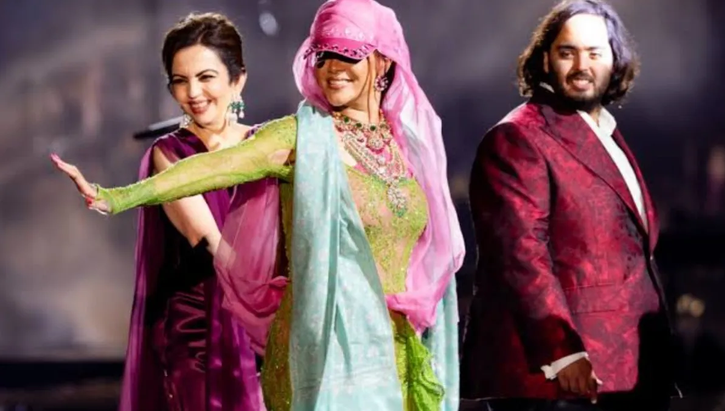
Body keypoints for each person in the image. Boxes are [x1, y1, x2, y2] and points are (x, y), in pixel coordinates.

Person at [50, 1, 465, 410]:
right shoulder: (302, 137)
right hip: (330, 351)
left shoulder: (406, 144)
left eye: (349, 53)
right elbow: (212, 169)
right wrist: (115, 197)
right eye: (323, 54)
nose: (333, 66)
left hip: (398, 348)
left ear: (384, 61)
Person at [460, 1, 677, 410]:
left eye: (594, 53)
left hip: (621, 373)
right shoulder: (518, 137)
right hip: (558, 377)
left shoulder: (606, 134)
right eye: (568, 52)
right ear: (545, 60)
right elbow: (519, 257)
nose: (582, 66)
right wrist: (562, 352)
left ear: (615, 61)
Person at [76, 12, 263, 411]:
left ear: (238, 80)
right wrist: (272, 300)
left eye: (206, 77)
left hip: (265, 324)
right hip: (198, 334)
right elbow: (211, 242)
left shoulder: (267, 145)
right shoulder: (170, 153)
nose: (193, 92)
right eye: (180, 80)